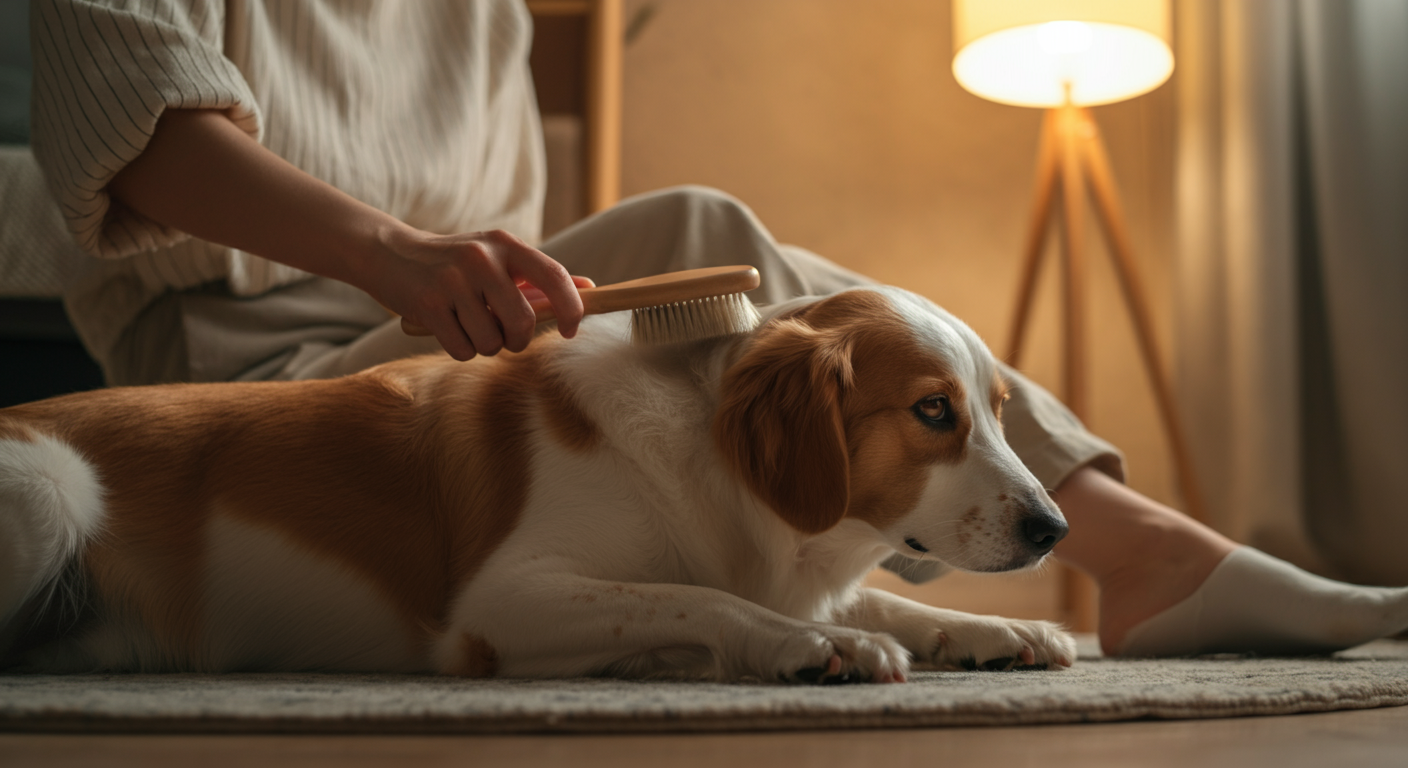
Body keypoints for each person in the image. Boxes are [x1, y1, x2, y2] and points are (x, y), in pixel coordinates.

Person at [30, 0, 1408, 658]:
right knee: (707, 226)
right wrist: (400, 256)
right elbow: (134, 144)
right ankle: (1146, 554)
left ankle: (1133, 557)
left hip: (472, 350)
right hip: (258, 372)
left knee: (761, 314)